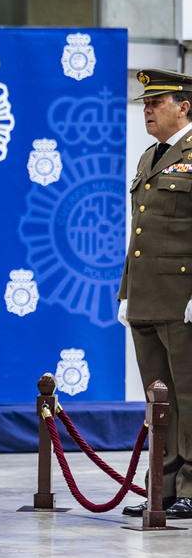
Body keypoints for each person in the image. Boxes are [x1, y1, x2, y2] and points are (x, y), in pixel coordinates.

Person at [119, 68, 192, 520]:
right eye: (146, 104)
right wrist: (128, 291)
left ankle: (191, 487)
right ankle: (161, 490)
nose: (147, 110)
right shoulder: (150, 157)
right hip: (148, 298)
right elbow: (141, 233)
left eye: (157, 103)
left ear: (185, 107)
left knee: (189, 395)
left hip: (182, 300)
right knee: (157, 397)